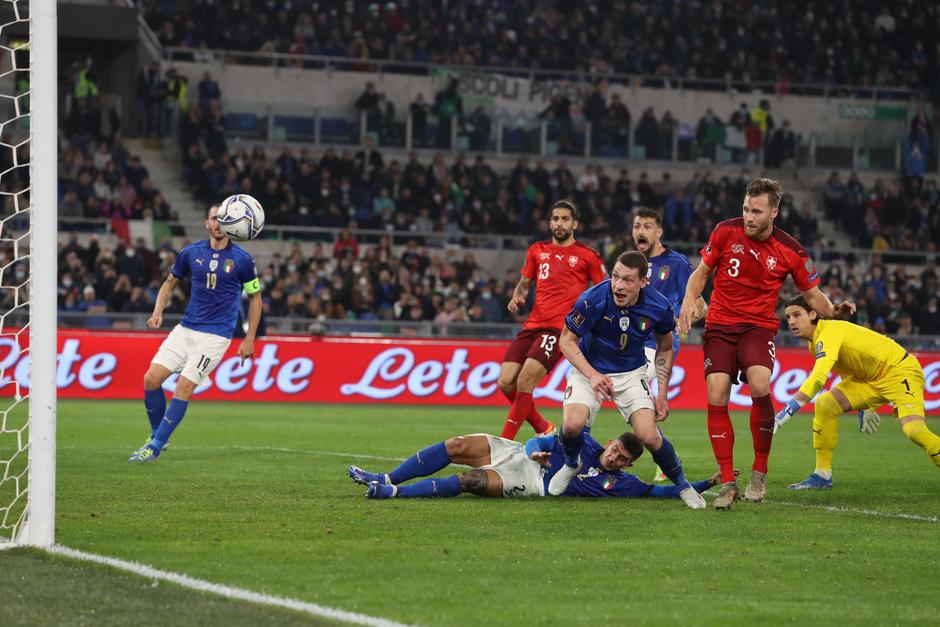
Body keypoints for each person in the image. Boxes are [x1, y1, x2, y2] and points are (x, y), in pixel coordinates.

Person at [678, 177, 855, 509]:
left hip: (758, 328)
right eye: (745, 209)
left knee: (759, 386)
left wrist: (833, 310)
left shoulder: (791, 250)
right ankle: (728, 480)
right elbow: (701, 273)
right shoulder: (724, 232)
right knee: (716, 393)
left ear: (774, 212)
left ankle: (760, 470)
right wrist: (690, 299)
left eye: (756, 211)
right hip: (719, 326)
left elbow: (813, 294)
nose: (748, 217)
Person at [549, 251, 706, 510]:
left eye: (628, 280)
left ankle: (682, 485)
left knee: (649, 436)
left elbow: (665, 347)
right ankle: (570, 463)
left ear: (643, 282)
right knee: (571, 426)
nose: (619, 285)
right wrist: (592, 374)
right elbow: (566, 340)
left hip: (632, 373)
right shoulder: (593, 299)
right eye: (615, 277)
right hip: (591, 369)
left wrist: (662, 394)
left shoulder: (659, 306)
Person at [128, 205, 262, 462]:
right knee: (150, 380)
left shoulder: (243, 260)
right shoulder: (190, 252)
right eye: (214, 218)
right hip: (185, 328)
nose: (219, 223)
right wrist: (158, 312)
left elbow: (255, 299)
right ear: (206, 223)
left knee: (183, 387)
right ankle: (160, 435)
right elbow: (169, 283)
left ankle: (153, 447)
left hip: (215, 336)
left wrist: (249, 338)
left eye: (224, 219)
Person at [774, 296, 940, 488]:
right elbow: (849, 371)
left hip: (899, 371)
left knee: (914, 430)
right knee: (825, 404)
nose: (792, 321)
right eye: (788, 317)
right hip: (869, 380)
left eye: (797, 315)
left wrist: (785, 413)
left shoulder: (829, 332)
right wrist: (865, 406)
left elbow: (818, 379)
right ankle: (822, 475)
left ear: (812, 314)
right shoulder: (815, 343)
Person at [347, 430, 725, 500]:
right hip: (521, 454)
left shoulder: (622, 484)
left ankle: (392, 492)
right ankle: (385, 476)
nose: (615, 459)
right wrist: (532, 451)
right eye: (615, 452)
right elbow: (541, 441)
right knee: (455, 445)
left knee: (471, 481)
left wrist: (705, 484)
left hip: (532, 484)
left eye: (623, 460)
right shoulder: (584, 443)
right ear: (609, 443)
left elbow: (662, 492)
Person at [498, 200, 607, 440]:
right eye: (555, 219)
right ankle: (543, 428)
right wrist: (518, 296)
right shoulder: (537, 250)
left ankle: (503, 444)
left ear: (574, 223)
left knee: (525, 381)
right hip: (532, 326)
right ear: (549, 223)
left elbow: (602, 290)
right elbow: (524, 284)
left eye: (565, 219)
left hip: (559, 329)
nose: (559, 223)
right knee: (506, 383)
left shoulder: (587, 256)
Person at [632, 208, 707, 481]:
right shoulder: (630, 264)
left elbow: (701, 305)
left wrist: (684, 318)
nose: (641, 231)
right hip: (630, 343)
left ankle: (664, 459)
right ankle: (665, 458)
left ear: (659, 231)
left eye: (647, 226)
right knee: (634, 401)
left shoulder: (676, 263)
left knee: (631, 393)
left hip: (657, 346)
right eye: (637, 226)